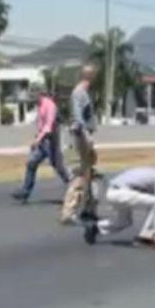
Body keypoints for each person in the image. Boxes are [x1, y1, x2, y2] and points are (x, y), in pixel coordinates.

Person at [91, 167, 155, 251]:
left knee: (125, 222)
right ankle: (145, 236)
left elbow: (153, 211)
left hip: (114, 191)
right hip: (119, 193)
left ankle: (96, 228)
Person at [11, 89, 71, 203]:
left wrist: (38, 140)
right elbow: (41, 125)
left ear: (39, 95)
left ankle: (75, 187)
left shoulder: (50, 105)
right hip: (43, 141)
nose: (31, 99)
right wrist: (37, 138)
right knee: (31, 163)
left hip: (53, 140)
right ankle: (25, 192)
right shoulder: (39, 105)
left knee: (59, 167)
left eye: (33, 96)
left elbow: (48, 126)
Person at [60, 65, 98, 224]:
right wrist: (86, 136)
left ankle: (89, 208)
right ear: (91, 77)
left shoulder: (83, 93)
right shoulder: (79, 93)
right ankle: (69, 212)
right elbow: (77, 118)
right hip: (80, 137)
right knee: (80, 175)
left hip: (82, 137)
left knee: (91, 174)